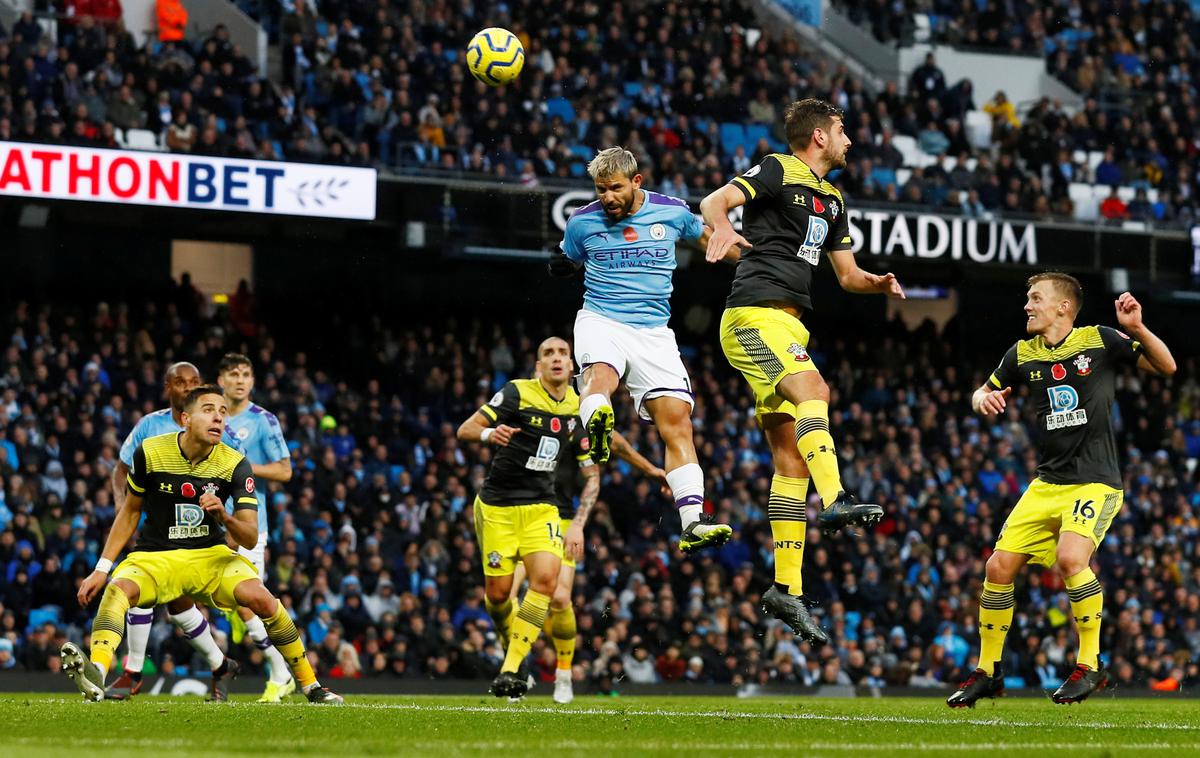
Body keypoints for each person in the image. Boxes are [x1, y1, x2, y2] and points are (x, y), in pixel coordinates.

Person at [699, 98, 903, 644]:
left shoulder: (833, 200)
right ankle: (834, 498)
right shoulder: (776, 169)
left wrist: (876, 283)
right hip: (752, 316)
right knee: (816, 388)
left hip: (789, 325)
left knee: (789, 457)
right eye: (842, 131)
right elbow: (714, 201)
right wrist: (720, 228)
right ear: (818, 135)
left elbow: (847, 275)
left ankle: (784, 589)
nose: (849, 141)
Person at [947, 273, 1175, 707]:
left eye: (1036, 298)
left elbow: (1166, 366)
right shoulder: (1022, 353)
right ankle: (988, 671)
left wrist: (1138, 329)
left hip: (1095, 480)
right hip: (1046, 483)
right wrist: (983, 401)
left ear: (1063, 307)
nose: (1028, 306)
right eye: (1028, 298)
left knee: (1072, 558)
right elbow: (981, 392)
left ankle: (1090, 664)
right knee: (997, 568)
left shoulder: (1099, 341)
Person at [62, 386, 342, 704]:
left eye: (223, 412)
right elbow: (130, 511)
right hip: (156, 556)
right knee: (117, 589)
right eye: (209, 409)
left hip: (211, 556)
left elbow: (249, 536)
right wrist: (102, 567)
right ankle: (97, 671)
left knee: (262, 599)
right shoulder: (150, 452)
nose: (219, 417)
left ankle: (311, 685)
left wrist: (225, 515)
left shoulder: (236, 464)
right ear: (186, 419)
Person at [550, 146, 731, 554]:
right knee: (601, 376)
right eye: (600, 190)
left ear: (636, 182)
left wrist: (755, 257)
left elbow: (713, 243)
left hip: (653, 333)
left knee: (678, 423)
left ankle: (692, 522)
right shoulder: (581, 222)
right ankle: (597, 421)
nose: (608, 198)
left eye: (615, 188)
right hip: (602, 319)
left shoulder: (672, 211)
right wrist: (558, 264)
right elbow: (566, 258)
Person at [511, 367, 669, 703]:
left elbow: (618, 444)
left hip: (563, 516)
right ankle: (517, 669)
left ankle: (563, 675)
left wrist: (651, 469)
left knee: (559, 598)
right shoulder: (532, 408)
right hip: (522, 512)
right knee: (505, 596)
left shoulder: (582, 417)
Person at [456, 337, 597, 699]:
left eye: (563, 353)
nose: (556, 359)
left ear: (571, 366)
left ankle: (512, 668)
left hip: (542, 508)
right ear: (538, 366)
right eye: (548, 354)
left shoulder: (578, 407)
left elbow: (595, 463)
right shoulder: (516, 393)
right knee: (498, 596)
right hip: (498, 508)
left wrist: (579, 521)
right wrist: (490, 433)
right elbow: (465, 430)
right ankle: (516, 655)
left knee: (547, 584)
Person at [105, 362, 241, 700]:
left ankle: (263, 670)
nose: (187, 387)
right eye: (181, 382)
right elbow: (121, 469)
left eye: (194, 381)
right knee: (153, 591)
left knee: (179, 601)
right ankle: (142, 671)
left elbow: (234, 474)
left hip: (200, 528)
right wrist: (125, 506)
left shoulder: (216, 426)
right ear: (168, 387)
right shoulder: (148, 426)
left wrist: (234, 525)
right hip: (156, 525)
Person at [217, 353, 296, 703]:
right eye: (233, 374)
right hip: (210, 522)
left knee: (253, 601)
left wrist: (243, 466)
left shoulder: (264, 421)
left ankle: (281, 673)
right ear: (221, 379)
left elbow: (284, 471)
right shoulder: (211, 414)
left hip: (249, 524)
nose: (240, 380)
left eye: (246, 375)